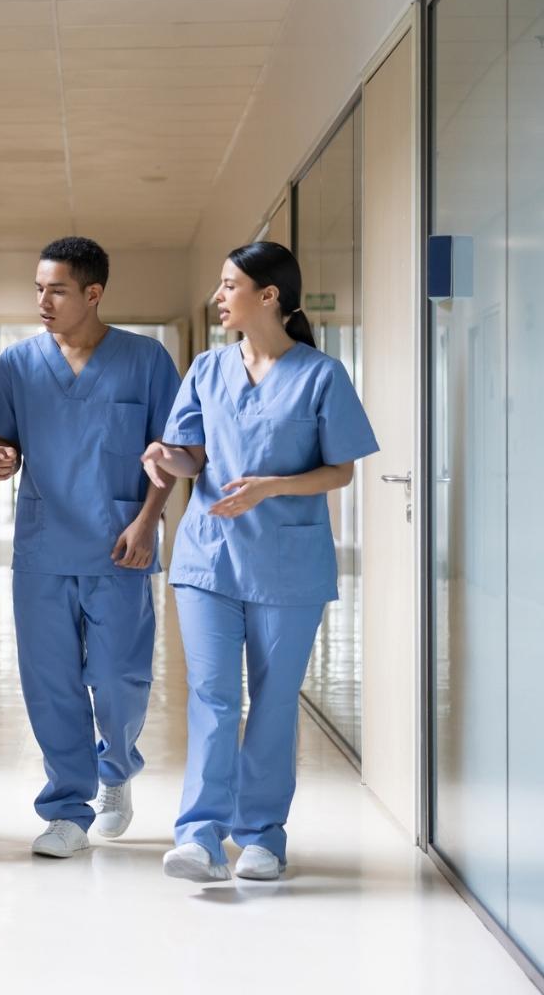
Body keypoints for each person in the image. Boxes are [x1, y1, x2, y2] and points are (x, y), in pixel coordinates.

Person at [144, 242, 378, 883]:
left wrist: (271, 486)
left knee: (274, 701)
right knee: (213, 696)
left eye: (229, 285)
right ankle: (198, 835)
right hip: (209, 557)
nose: (219, 297)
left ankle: (262, 835)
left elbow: (342, 471)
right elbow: (193, 457)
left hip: (287, 564)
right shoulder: (206, 369)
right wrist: (168, 458)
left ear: (267, 295)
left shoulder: (321, 375)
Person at [0, 237, 180, 859]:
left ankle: (116, 768)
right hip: (44, 545)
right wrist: (1, 457)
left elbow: (170, 453)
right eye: (38, 288)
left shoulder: (146, 361)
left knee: (120, 676)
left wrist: (150, 521)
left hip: (120, 541)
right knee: (51, 682)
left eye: (57, 289)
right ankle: (67, 807)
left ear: (93, 294)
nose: (42, 300)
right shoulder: (16, 365)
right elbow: (5, 442)